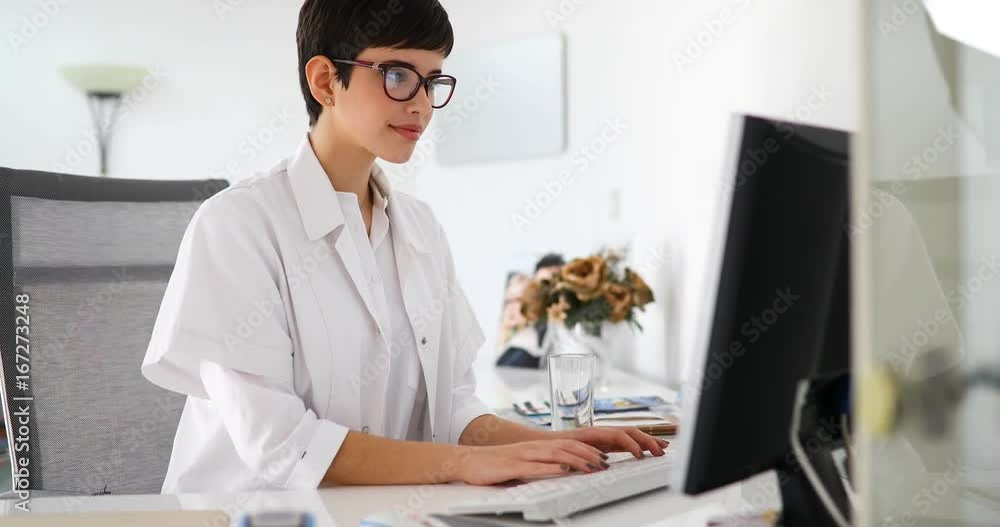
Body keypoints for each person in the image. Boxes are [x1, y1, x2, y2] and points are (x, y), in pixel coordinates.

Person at [141, 0, 666, 493]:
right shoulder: (238, 224)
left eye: (432, 80)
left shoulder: (420, 227)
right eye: (397, 76)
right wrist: (463, 465)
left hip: (383, 510)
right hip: (253, 513)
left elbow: (453, 409)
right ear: (326, 80)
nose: (421, 104)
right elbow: (282, 444)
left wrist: (558, 444)